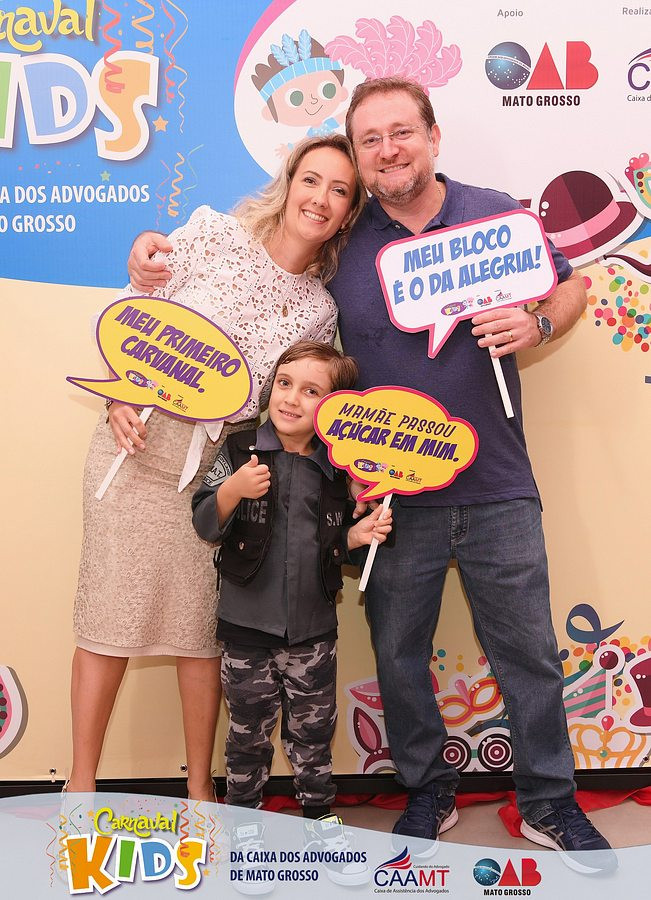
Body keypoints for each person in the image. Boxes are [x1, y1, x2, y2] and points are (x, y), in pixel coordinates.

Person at [127, 78, 613, 867]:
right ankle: (426, 789)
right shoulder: (344, 242)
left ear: (432, 136)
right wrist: (155, 254)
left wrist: (537, 320)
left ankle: (549, 802)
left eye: (401, 132)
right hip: (386, 495)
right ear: (357, 156)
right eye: (370, 140)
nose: (388, 150)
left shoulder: (493, 214)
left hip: (496, 485)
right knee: (397, 656)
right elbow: (256, 275)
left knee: (526, 654)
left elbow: (573, 284)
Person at [69, 135, 366, 802]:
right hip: (135, 449)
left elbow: (294, 410)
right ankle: (80, 787)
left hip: (219, 479)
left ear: (348, 213)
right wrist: (117, 395)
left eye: (339, 190)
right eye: (311, 179)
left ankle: (202, 790)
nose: (320, 198)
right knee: (107, 620)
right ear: (288, 182)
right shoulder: (212, 235)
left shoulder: (320, 309)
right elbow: (130, 314)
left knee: (200, 633)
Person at [191, 340, 390, 886]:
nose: (292, 398)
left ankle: (319, 816)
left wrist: (358, 535)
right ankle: (244, 821)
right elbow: (204, 521)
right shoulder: (239, 450)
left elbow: (337, 548)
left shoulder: (339, 468)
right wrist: (232, 490)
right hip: (245, 630)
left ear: (334, 406)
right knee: (247, 735)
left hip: (313, 632)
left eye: (311, 391)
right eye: (284, 383)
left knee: (313, 732)